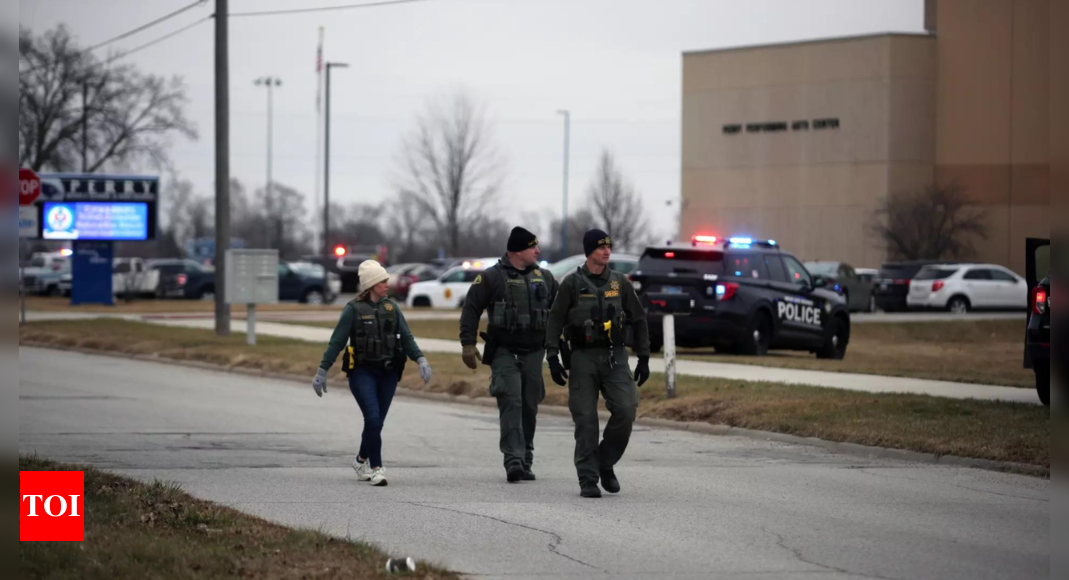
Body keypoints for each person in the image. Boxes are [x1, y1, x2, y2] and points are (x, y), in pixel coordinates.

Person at [544, 229, 651, 498]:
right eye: (601, 247)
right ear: (589, 251)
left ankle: (605, 462)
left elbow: (638, 319)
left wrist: (644, 357)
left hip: (615, 356)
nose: (606, 251)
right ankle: (588, 479)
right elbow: (554, 320)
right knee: (586, 420)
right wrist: (553, 357)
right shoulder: (571, 283)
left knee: (626, 410)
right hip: (582, 358)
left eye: (608, 247)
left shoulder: (619, 282)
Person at [313, 259, 433, 487]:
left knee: (375, 424)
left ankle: (360, 461)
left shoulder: (392, 308)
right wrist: (322, 371)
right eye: (382, 281)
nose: (387, 284)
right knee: (373, 418)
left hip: (388, 373)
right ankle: (376, 469)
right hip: (362, 372)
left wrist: (420, 359)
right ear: (371, 284)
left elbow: (406, 338)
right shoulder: (352, 310)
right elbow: (336, 342)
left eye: (387, 280)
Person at [460, 227, 558, 483]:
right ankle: (513, 461)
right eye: (532, 247)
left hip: (535, 352)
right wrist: (468, 344)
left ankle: (526, 459)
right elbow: (471, 309)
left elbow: (562, 310)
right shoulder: (491, 278)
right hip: (505, 351)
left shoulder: (545, 278)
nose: (537, 251)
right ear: (517, 251)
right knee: (511, 401)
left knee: (529, 405)